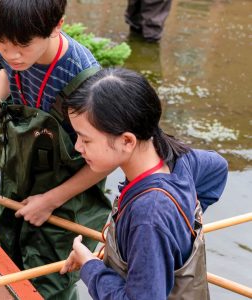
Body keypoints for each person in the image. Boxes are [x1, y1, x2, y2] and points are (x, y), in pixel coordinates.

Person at [0, 0, 111, 298]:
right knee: (12, 258)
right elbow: (6, 75)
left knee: (50, 283)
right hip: (21, 170)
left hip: (68, 196)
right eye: (1, 45)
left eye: (22, 46)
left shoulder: (84, 79)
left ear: (57, 25)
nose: (11, 55)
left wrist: (50, 200)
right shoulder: (9, 30)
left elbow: (107, 160)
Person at [59, 68, 228, 299]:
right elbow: (218, 168)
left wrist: (89, 265)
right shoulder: (178, 161)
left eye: (86, 139)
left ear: (127, 140)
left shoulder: (148, 216)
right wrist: (179, 230)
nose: (78, 147)